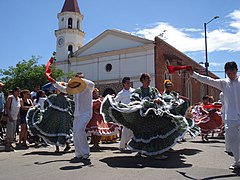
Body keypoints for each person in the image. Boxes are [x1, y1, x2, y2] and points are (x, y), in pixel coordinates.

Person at [101, 73, 188, 159]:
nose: (149, 81)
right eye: (147, 79)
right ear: (142, 80)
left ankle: (156, 153)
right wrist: (143, 103)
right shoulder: (137, 91)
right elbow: (134, 100)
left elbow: (160, 98)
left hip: (154, 116)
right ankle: (140, 151)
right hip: (142, 117)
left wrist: (158, 100)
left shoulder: (153, 90)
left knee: (155, 133)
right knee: (141, 133)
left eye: (149, 79)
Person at [189, 61, 240, 170]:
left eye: (233, 72)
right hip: (230, 117)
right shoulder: (223, 83)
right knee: (232, 139)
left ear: (237, 70)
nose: (231, 75)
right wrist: (194, 74)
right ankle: (237, 161)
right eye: (229, 73)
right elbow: (208, 80)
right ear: (225, 72)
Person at [52, 72, 95, 162]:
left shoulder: (88, 87)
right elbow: (65, 89)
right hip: (77, 114)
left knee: (80, 130)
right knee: (75, 133)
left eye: (81, 79)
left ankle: (86, 152)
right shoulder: (74, 89)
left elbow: (92, 84)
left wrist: (80, 80)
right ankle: (78, 153)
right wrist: (55, 84)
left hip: (86, 113)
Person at [27, 82, 74, 153]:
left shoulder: (54, 97)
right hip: (64, 119)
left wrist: (45, 111)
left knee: (55, 131)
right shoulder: (67, 100)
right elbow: (70, 109)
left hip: (55, 117)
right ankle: (67, 144)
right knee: (63, 130)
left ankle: (58, 148)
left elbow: (46, 104)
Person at [115, 77, 135, 152]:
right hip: (125, 113)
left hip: (133, 112)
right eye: (127, 83)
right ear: (124, 84)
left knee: (133, 130)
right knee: (126, 129)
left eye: (129, 83)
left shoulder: (133, 91)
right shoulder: (121, 93)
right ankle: (122, 146)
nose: (129, 84)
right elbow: (115, 102)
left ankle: (131, 145)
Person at [5, 87, 21, 152]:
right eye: (17, 91)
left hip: (15, 117)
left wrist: (18, 117)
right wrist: (10, 116)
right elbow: (7, 108)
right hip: (10, 117)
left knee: (13, 131)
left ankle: (10, 144)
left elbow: (18, 108)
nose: (18, 93)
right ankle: (8, 144)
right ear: (14, 91)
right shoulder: (10, 98)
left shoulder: (18, 99)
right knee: (10, 131)